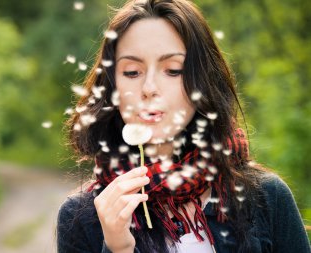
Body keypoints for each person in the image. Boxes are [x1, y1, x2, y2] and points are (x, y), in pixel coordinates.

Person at [57, 0, 311, 252]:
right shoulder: (81, 217)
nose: (149, 89)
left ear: (201, 82)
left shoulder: (266, 197)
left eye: (173, 70)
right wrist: (117, 248)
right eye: (132, 72)